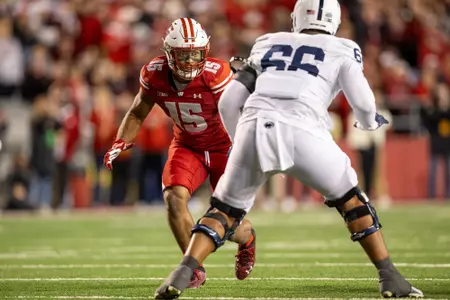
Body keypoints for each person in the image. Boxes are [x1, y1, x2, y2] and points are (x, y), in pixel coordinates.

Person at [154, 1, 423, 299]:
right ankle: (389, 276)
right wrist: (370, 122)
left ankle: (183, 271)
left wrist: (242, 142)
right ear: (334, 20)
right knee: (352, 202)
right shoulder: (344, 48)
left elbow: (229, 102)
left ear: (296, 18)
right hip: (305, 131)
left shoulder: (267, 42)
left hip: (254, 126)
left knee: (224, 212)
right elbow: (363, 103)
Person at [103, 18, 256, 289]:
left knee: (228, 221)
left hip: (225, 147)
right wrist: (120, 141)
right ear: (169, 53)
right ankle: (193, 269)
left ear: (205, 51)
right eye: (183, 55)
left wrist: (246, 82)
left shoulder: (216, 73)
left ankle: (248, 239)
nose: (189, 61)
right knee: (174, 198)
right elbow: (139, 110)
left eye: (195, 54)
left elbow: (244, 108)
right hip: (188, 146)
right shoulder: (153, 73)